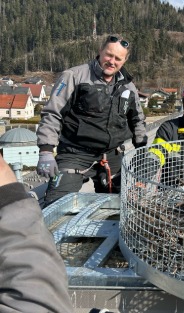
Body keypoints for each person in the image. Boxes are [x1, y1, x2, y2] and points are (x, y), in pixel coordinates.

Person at [36, 34, 148, 207]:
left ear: (124, 61)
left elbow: (138, 120)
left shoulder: (128, 87)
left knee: (127, 204)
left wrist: (142, 152)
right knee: (56, 206)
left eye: (118, 58)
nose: (112, 61)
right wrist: (46, 151)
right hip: (75, 153)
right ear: (100, 51)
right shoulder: (74, 76)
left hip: (112, 155)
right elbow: (53, 113)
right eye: (109, 55)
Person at [0, 155, 73, 312]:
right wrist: (10, 199)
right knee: (59, 192)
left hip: (110, 152)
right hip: (77, 152)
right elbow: (35, 301)